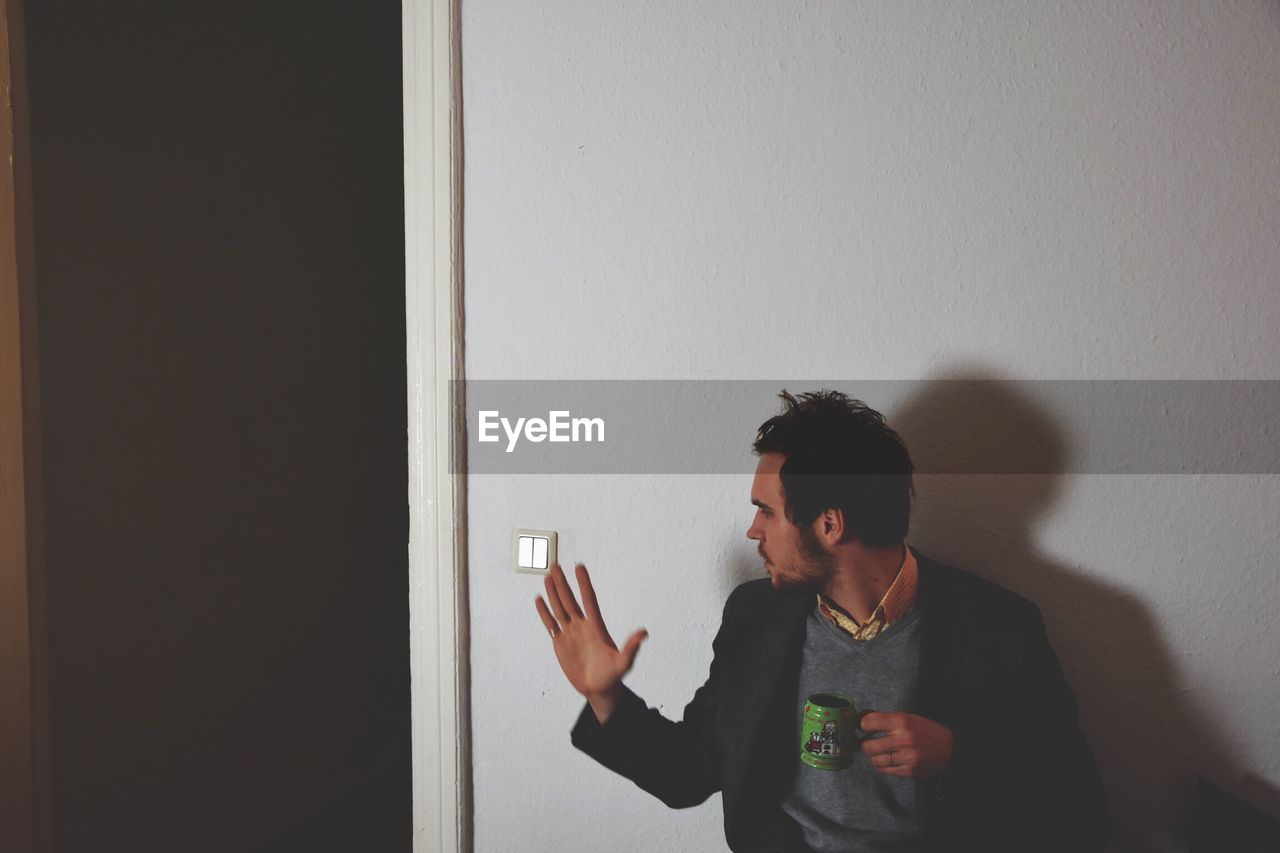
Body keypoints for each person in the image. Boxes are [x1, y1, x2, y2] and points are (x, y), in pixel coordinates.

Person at [534, 391, 1109, 852]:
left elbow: (1084, 817)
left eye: (766, 511)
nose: (752, 531)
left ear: (830, 524)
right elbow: (691, 771)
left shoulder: (996, 627)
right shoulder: (754, 618)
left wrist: (958, 760)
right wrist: (607, 696)